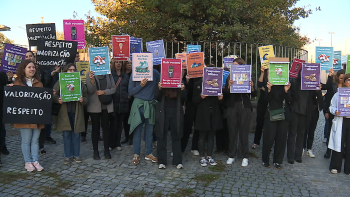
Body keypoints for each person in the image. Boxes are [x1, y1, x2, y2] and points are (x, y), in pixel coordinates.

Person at [12, 60, 45, 172]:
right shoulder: (17, 83)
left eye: (33, 67)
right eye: (29, 67)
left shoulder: (39, 83)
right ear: (24, 69)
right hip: (24, 117)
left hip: (37, 116)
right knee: (26, 140)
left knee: (35, 140)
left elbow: (42, 100)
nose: (32, 69)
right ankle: (28, 162)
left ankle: (35, 161)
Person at [53, 63, 88, 164]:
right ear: (65, 71)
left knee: (76, 134)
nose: (72, 72)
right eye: (70, 70)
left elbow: (86, 97)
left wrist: (82, 100)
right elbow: (54, 95)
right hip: (65, 112)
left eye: (73, 70)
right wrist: (57, 99)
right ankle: (67, 156)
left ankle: (76, 155)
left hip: (77, 112)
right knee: (66, 134)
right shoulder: (60, 82)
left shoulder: (80, 83)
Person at [225, 58, 256, 166]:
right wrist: (229, 85)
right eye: (233, 65)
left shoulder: (248, 75)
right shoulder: (229, 77)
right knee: (232, 131)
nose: (233, 67)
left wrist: (251, 86)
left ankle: (245, 156)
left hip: (245, 107)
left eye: (236, 65)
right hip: (232, 106)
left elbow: (254, 93)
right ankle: (231, 155)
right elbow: (225, 93)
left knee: (244, 132)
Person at [128, 67, 160, 165]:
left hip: (150, 105)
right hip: (138, 105)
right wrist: (141, 85)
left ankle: (149, 153)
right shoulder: (135, 73)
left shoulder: (155, 73)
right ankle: (136, 154)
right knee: (137, 130)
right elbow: (130, 92)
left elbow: (159, 88)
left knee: (149, 131)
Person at [193, 65, 223, 167]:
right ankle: (202, 157)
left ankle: (209, 156)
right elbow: (193, 101)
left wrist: (220, 98)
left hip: (214, 113)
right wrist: (201, 96)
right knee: (202, 136)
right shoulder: (198, 84)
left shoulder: (218, 84)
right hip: (202, 113)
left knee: (211, 136)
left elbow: (221, 103)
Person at [86, 70, 116, 160]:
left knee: (106, 128)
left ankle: (106, 150)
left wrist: (104, 92)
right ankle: (96, 151)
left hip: (106, 106)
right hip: (94, 106)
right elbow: (90, 90)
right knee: (95, 129)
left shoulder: (108, 74)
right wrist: (92, 80)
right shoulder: (90, 74)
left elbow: (114, 89)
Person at [155, 82, 186, 169]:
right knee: (161, 136)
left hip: (176, 112)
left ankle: (177, 161)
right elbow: (157, 97)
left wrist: (183, 90)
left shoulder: (180, 82)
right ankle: (162, 161)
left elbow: (184, 99)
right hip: (163, 112)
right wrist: (159, 89)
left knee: (177, 137)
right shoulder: (162, 81)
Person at [262, 81, 291, 169]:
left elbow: (290, 100)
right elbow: (266, 99)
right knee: (269, 138)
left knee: (281, 138)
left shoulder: (287, 83)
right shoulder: (269, 82)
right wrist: (269, 89)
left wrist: (286, 91)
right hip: (271, 113)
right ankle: (265, 160)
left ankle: (278, 161)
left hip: (284, 113)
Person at [329, 73, 350, 174]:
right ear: (344, 82)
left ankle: (348, 168)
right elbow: (331, 106)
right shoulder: (338, 94)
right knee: (338, 143)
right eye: (348, 80)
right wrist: (335, 111)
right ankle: (335, 166)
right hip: (341, 120)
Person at [323, 69, 345, 158]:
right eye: (341, 78)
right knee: (329, 130)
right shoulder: (333, 85)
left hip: (343, 113)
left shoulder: (347, 87)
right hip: (332, 111)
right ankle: (328, 150)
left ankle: (342, 150)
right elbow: (328, 99)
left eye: (344, 78)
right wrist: (327, 111)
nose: (342, 80)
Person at [110, 59, 129, 151]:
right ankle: (111, 143)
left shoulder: (125, 76)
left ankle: (117, 143)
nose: (118, 64)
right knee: (113, 124)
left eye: (120, 62)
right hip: (113, 103)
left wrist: (127, 96)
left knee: (119, 124)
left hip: (123, 103)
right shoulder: (110, 75)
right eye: (116, 62)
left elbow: (128, 88)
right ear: (113, 63)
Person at [181, 71, 200, 155]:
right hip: (189, 103)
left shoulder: (201, 74)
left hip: (199, 102)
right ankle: (181, 148)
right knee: (186, 126)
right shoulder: (187, 74)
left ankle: (195, 147)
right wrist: (187, 81)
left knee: (198, 126)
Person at [252, 66, 269, 149]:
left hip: (271, 103)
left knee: (269, 124)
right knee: (259, 123)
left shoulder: (276, 77)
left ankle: (268, 142)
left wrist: (265, 89)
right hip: (262, 103)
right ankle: (256, 142)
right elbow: (259, 84)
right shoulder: (264, 75)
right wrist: (262, 72)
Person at [122, 60, 133, 145]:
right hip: (124, 98)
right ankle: (126, 136)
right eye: (128, 63)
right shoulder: (122, 74)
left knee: (132, 119)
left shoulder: (135, 73)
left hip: (132, 98)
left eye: (131, 63)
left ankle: (131, 137)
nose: (129, 65)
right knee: (125, 119)